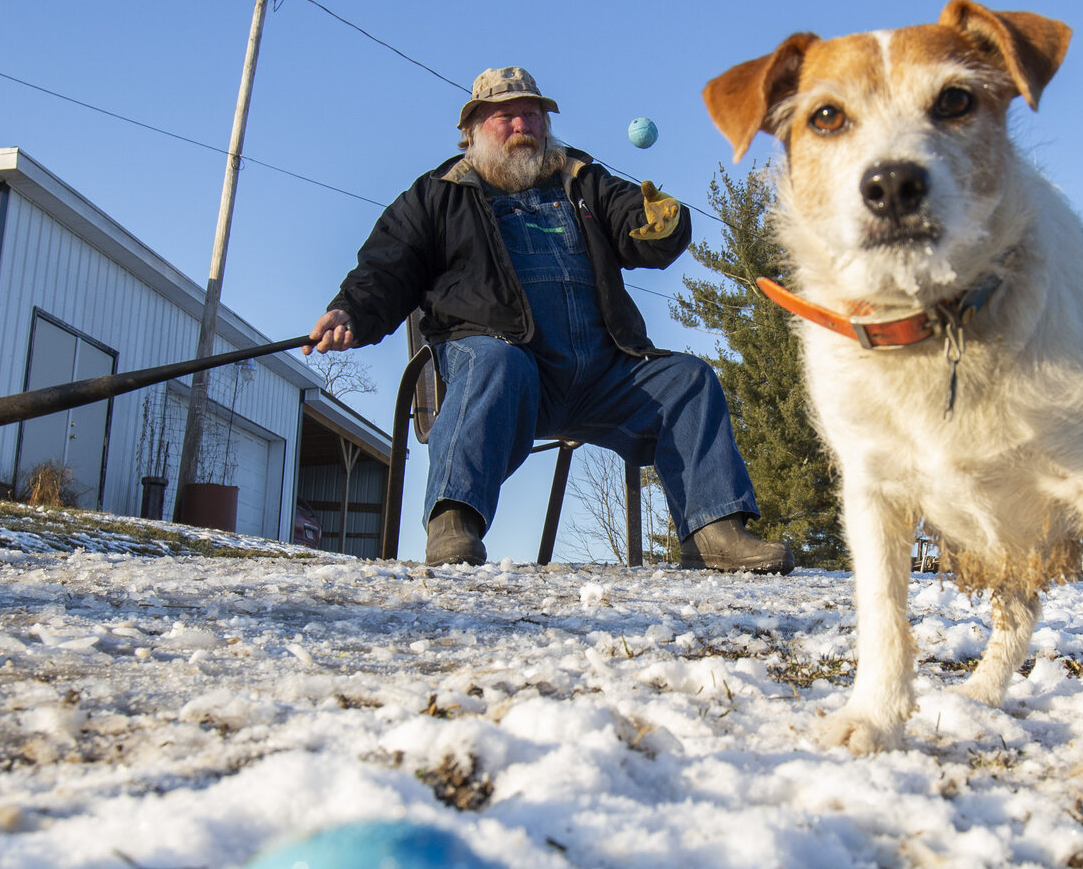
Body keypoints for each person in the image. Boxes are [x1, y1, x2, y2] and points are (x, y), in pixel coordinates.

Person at [309, 67, 794, 572]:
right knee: (494, 359)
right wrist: (351, 311)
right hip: (510, 373)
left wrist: (661, 221)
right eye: (506, 116)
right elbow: (386, 266)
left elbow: (638, 222)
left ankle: (714, 528)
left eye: (532, 115)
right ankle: (454, 518)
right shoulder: (438, 195)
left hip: (604, 373)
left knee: (687, 380)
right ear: (473, 129)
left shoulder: (581, 180)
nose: (522, 125)